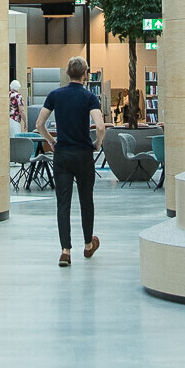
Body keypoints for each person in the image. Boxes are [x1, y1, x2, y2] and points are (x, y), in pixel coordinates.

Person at [42, 57, 104, 266]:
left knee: (63, 203)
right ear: (85, 73)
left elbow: (39, 123)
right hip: (84, 155)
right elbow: (100, 126)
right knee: (86, 200)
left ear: (67, 73)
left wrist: (51, 141)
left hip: (62, 155)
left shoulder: (55, 95)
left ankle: (65, 251)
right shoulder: (89, 97)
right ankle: (88, 244)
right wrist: (97, 143)